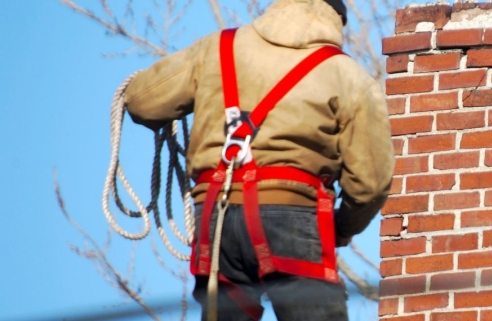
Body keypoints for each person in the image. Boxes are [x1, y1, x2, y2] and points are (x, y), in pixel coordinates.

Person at [122, 0, 395, 319]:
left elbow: (142, 102)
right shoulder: (349, 76)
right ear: (336, 19)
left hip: (216, 217)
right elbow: (370, 185)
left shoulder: (216, 48)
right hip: (292, 216)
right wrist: (343, 229)